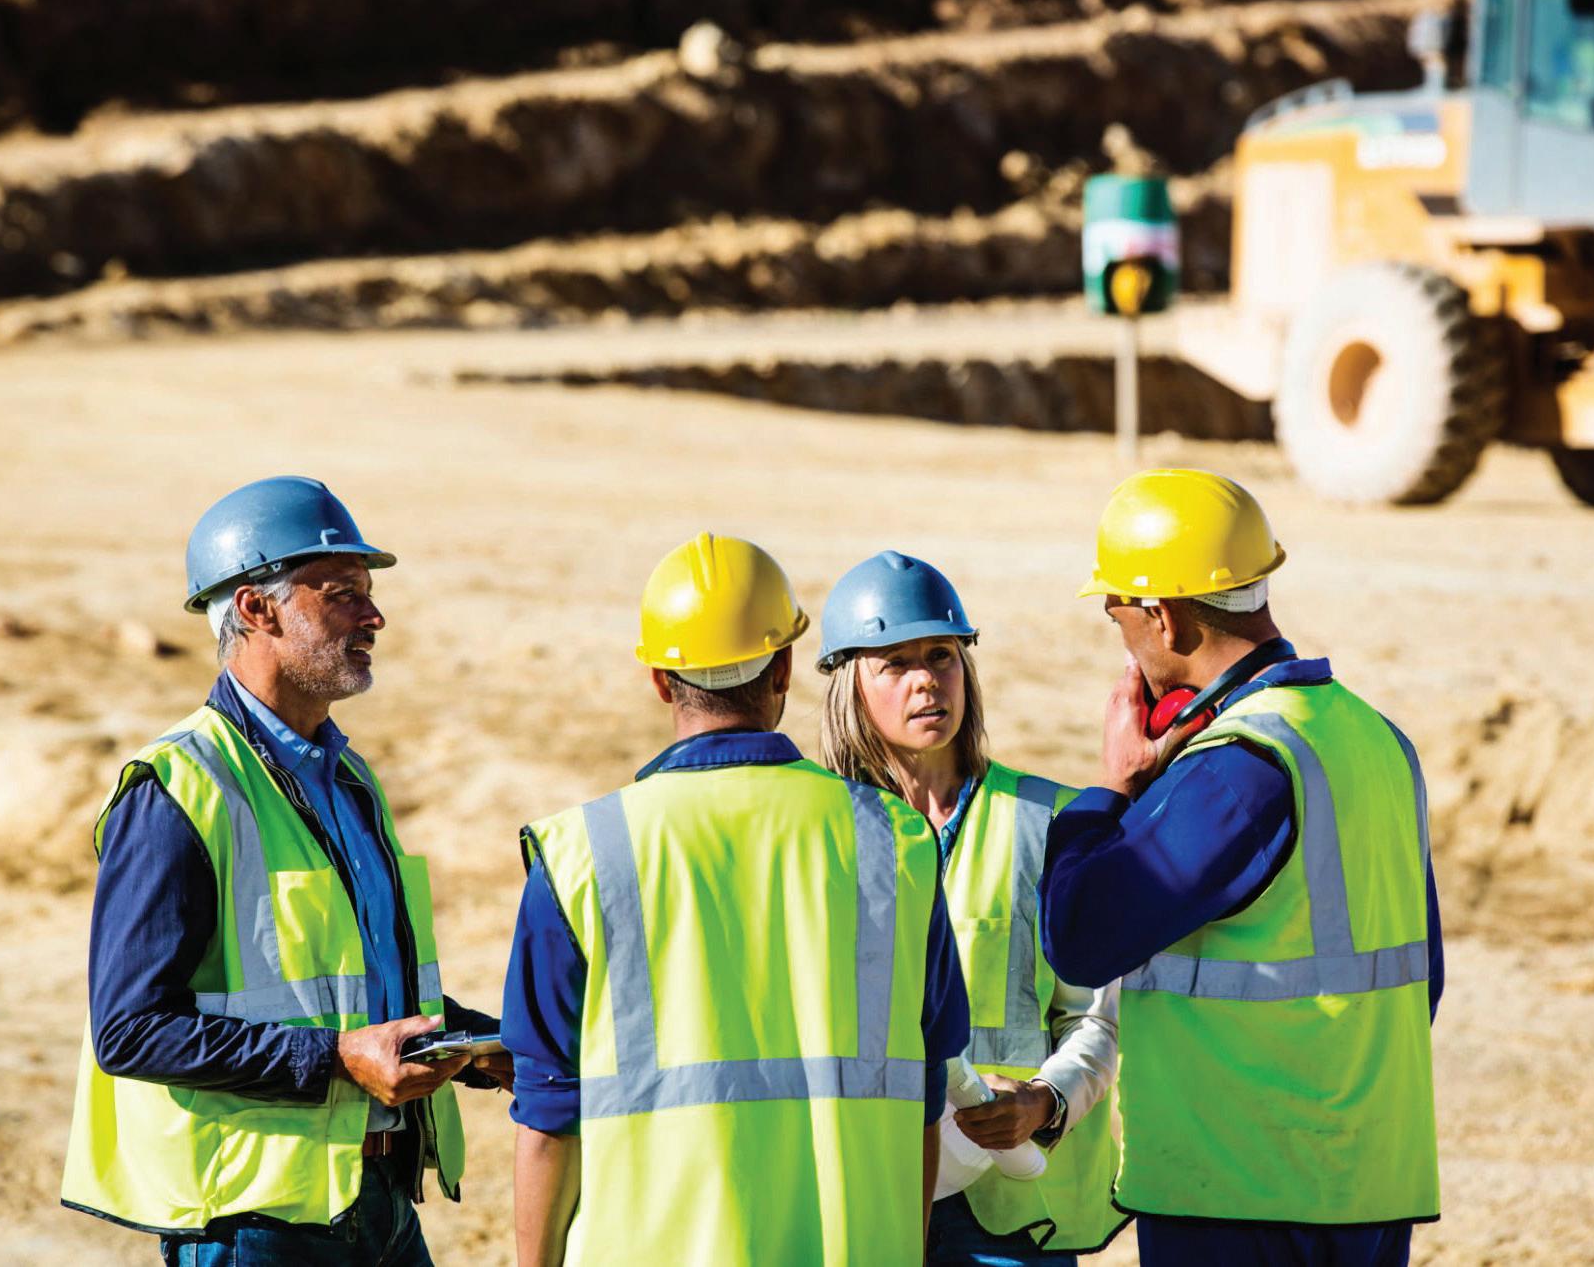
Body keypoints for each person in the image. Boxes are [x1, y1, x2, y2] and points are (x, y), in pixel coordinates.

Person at [61, 475, 507, 1265]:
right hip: (254, 1225)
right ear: (255, 609)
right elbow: (131, 1029)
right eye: (342, 594)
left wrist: (474, 1044)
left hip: (380, 1204)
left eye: (369, 595)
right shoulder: (178, 787)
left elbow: (352, 991)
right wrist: (335, 1060)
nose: (374, 617)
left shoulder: (351, 781)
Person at [502, 532, 970, 1266]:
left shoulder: (580, 854)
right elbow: (924, 1094)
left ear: (661, 681)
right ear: (785, 666)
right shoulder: (898, 841)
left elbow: (547, 1118)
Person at [1037, 468, 1444, 1266]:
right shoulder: (1378, 740)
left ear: (1162, 615)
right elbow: (1417, 980)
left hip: (1239, 1195)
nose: (1122, 640)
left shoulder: (1235, 769)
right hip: (1367, 1189)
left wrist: (1112, 786)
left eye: (1117, 614)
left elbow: (1079, 936)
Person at [816, 551, 1127, 1266]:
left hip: (1008, 1213)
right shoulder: (814, 835)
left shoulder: (1051, 823)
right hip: (863, 1189)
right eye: (896, 663)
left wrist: (1044, 1102)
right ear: (849, 685)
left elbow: (1096, 1016)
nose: (926, 679)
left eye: (942, 655)